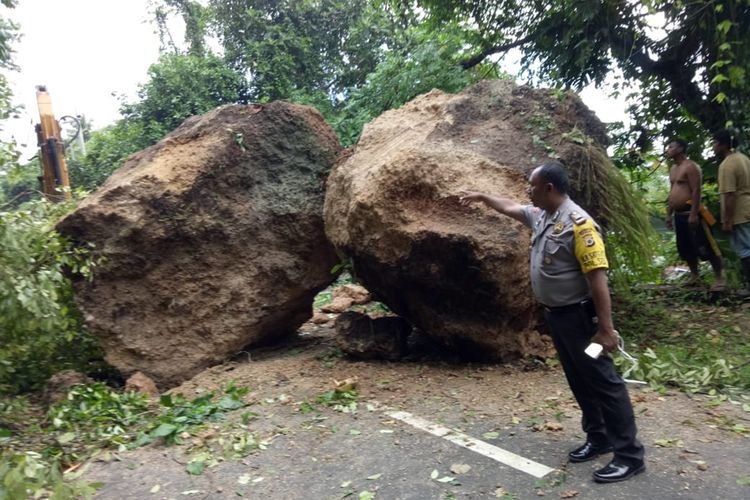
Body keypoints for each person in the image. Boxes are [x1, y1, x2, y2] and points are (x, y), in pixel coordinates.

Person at [459, 162, 645, 483]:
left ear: (549, 188)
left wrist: (605, 329)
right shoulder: (542, 216)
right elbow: (509, 207)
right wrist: (481, 196)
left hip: (582, 323)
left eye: (532, 185)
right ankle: (598, 437)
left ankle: (629, 455)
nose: (527, 191)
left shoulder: (580, 226)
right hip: (559, 321)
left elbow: (598, 281)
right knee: (579, 378)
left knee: (604, 381)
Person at [664, 138, 724, 289]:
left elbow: (697, 190)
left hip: (692, 212)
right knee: (685, 248)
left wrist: (694, 213)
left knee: (706, 246)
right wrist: (668, 214)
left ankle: (719, 277)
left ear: (680, 149)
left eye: (671, 146)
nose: (668, 149)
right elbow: (672, 192)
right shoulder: (673, 169)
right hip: (679, 214)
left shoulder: (691, 166)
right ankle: (695, 277)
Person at [714, 129, 750, 295]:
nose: (713, 146)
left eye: (715, 143)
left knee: (745, 251)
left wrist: (727, 220)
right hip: (747, 208)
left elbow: (730, 194)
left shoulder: (727, 165)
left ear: (722, 145)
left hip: (740, 214)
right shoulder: (743, 158)